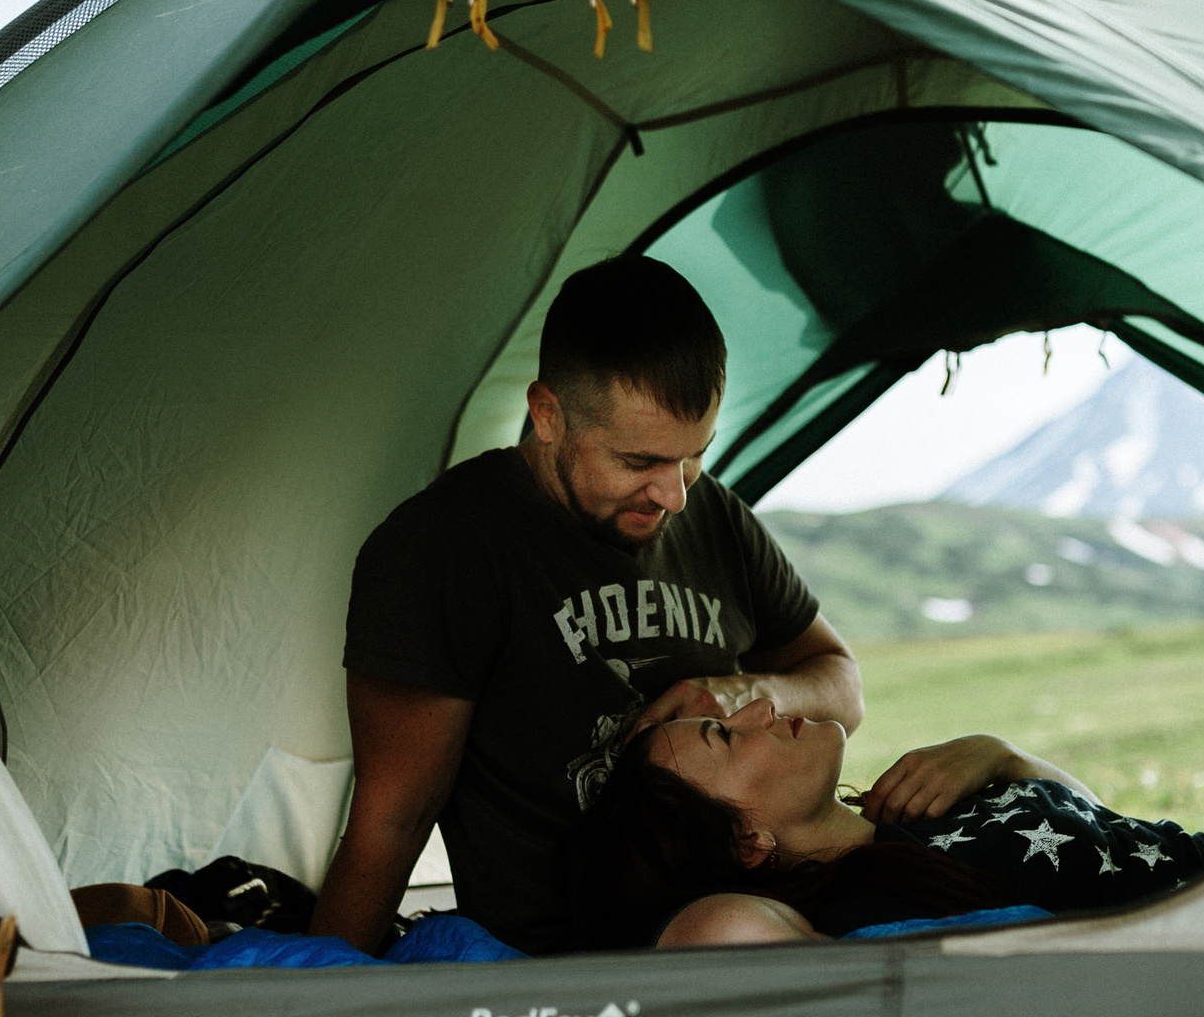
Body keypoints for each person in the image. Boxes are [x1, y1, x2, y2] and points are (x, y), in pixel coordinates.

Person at [312, 256, 864, 956]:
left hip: (754, 941)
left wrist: (749, 687)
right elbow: (391, 820)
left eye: (694, 456)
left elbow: (841, 683)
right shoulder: (441, 550)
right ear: (548, 415)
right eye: (640, 463)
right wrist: (311, 1000)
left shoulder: (715, 519)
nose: (675, 496)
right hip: (560, 977)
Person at [575, 699, 1204, 946]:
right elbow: (713, 932)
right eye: (725, 734)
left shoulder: (917, 798)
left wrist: (1001, 756)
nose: (759, 707)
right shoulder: (856, 912)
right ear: (749, 839)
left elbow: (1102, 830)